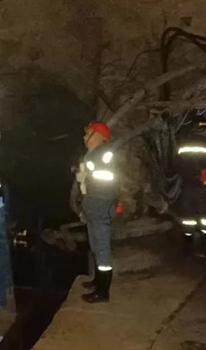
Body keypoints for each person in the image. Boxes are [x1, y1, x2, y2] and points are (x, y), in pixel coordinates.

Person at [70, 122, 118, 303]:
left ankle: (103, 292)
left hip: (100, 205)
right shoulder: (92, 154)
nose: (84, 137)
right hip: (92, 205)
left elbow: (105, 179)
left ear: (97, 136)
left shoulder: (103, 155)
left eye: (88, 133)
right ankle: (97, 281)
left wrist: (86, 173)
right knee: (96, 246)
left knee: (102, 249)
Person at [173, 118, 206, 255]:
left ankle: (188, 244)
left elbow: (176, 165)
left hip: (188, 185)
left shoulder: (183, 146)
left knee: (188, 216)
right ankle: (204, 245)